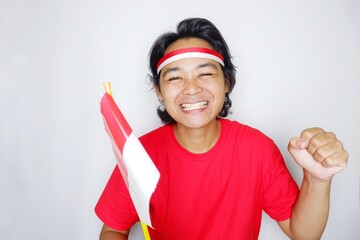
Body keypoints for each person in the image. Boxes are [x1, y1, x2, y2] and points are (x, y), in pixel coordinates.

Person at [95, 18, 348, 240]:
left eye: (205, 73)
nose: (191, 88)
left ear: (226, 82)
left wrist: (317, 180)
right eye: (174, 77)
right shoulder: (137, 155)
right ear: (159, 91)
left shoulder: (256, 149)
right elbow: (113, 230)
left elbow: (303, 233)